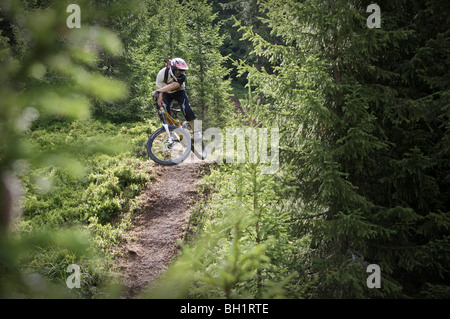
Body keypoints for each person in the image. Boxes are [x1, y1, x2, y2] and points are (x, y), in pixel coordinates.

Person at [153, 58, 202, 141]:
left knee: (186, 108)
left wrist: (159, 90)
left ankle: (196, 132)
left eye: (181, 71)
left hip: (179, 91)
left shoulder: (183, 77)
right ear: (172, 68)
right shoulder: (162, 74)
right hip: (166, 92)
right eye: (177, 71)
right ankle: (171, 133)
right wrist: (159, 105)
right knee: (164, 111)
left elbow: (174, 85)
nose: (179, 73)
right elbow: (159, 92)